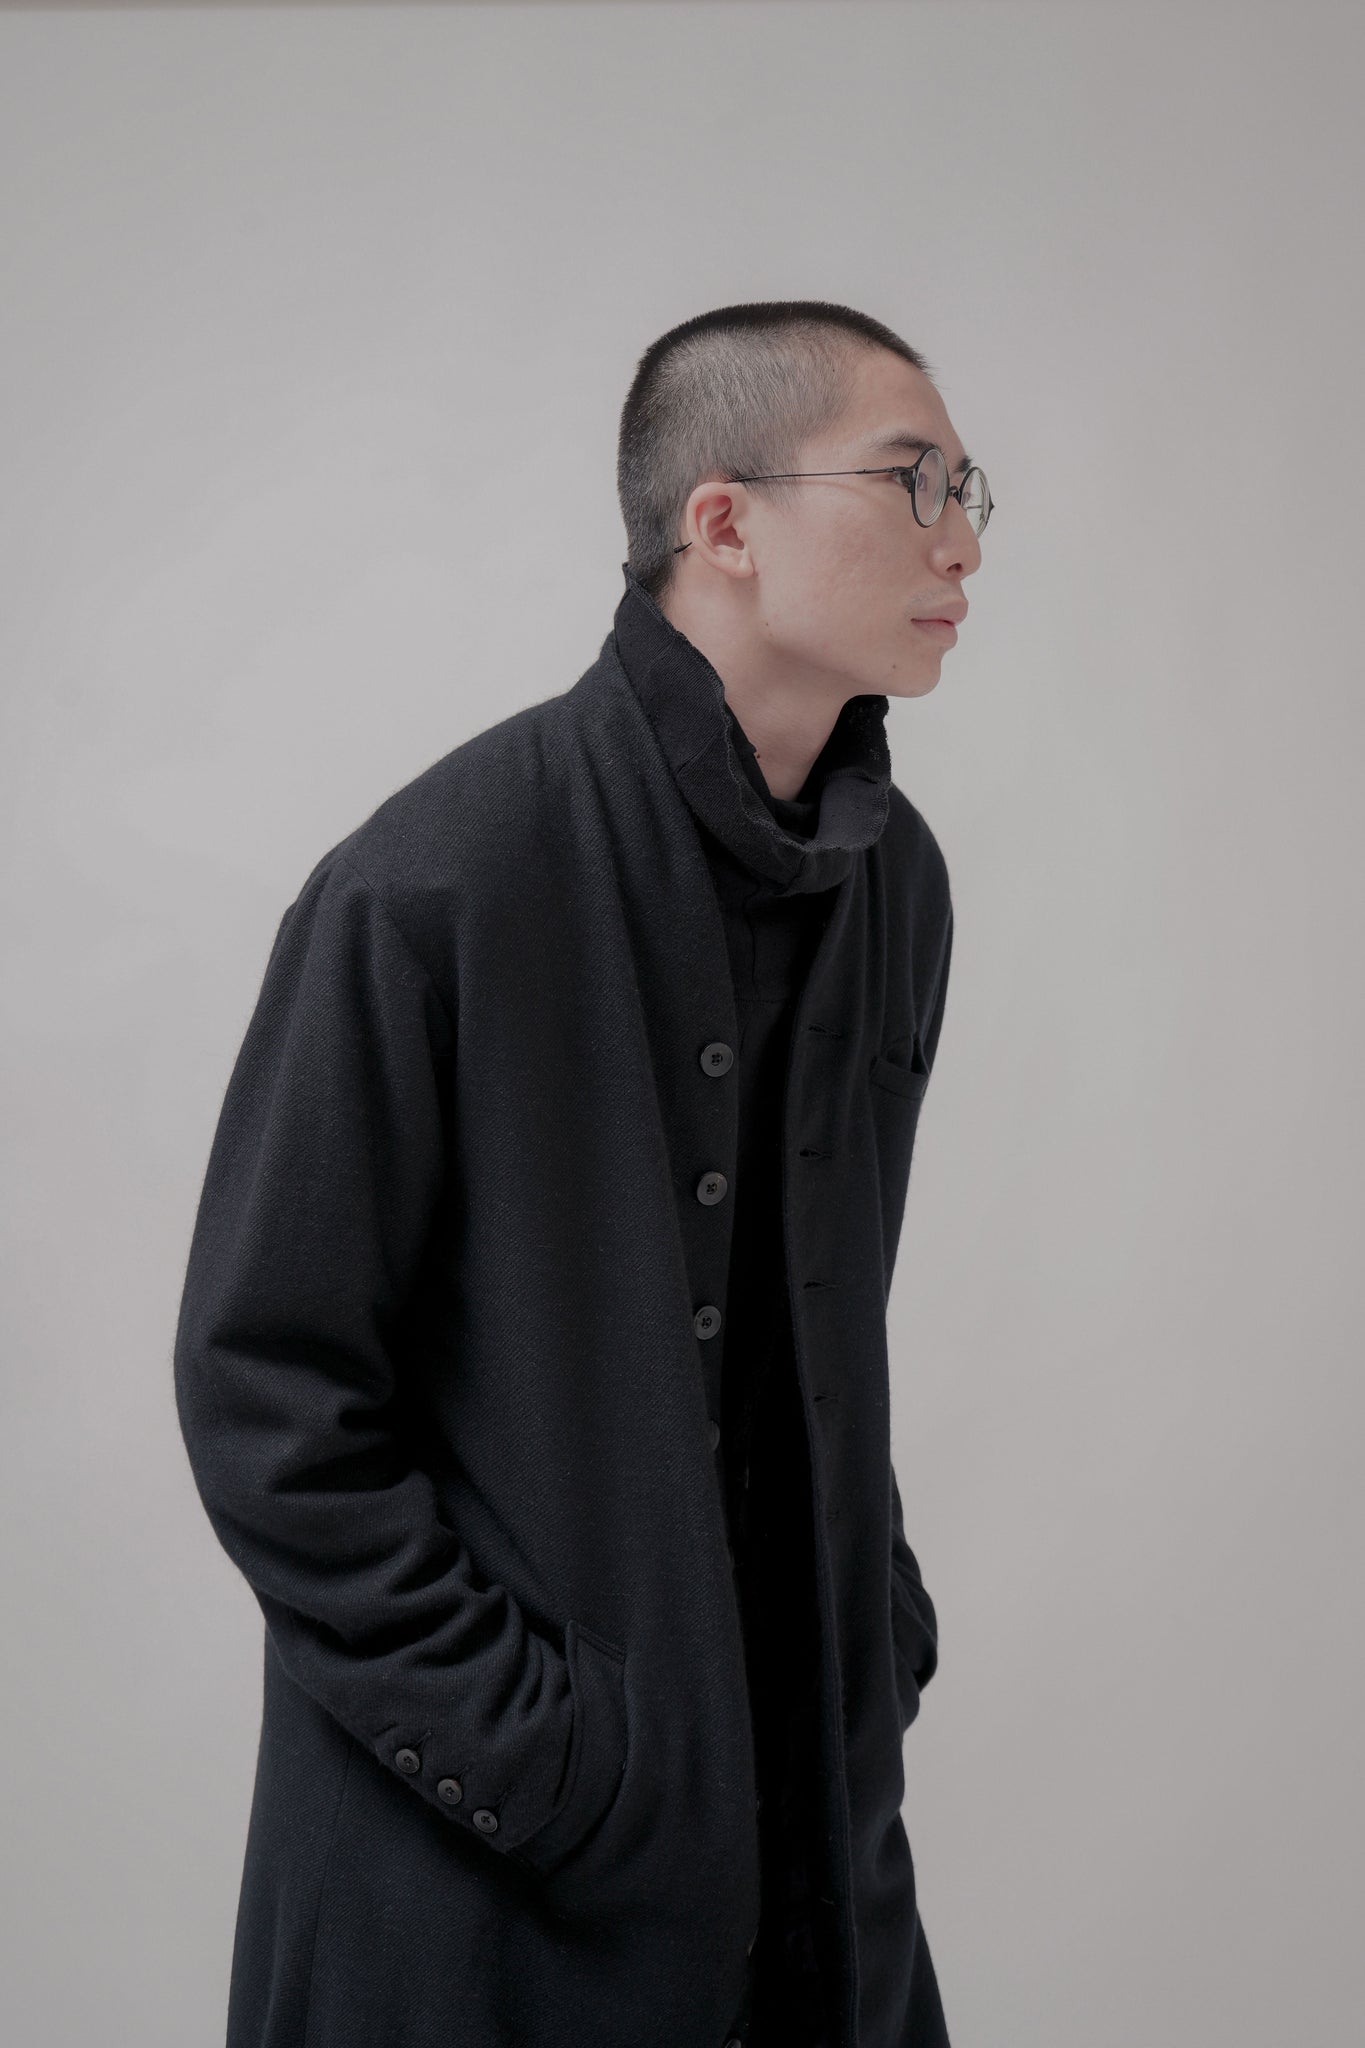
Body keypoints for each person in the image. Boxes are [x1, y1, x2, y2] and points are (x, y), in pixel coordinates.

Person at [173, 297, 989, 2048]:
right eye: (913, 481)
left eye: (969, 489)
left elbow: (820, 1324)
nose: (962, 541)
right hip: (478, 1897)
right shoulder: (433, 886)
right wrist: (545, 1754)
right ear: (723, 521)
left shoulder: (896, 887)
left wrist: (874, 1630)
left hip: (820, 1862)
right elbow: (268, 1395)